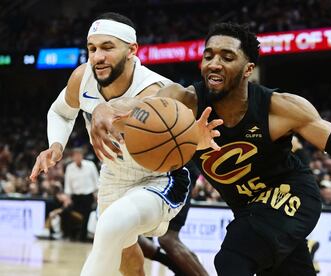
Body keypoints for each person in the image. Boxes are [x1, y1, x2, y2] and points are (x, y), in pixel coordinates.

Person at [90, 22, 331, 275]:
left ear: (248, 68)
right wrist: (107, 109)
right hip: (248, 208)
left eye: (226, 56)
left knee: (232, 258)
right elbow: (136, 107)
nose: (214, 63)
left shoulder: (280, 107)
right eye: (208, 55)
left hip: (291, 194)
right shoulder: (183, 102)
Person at [29, 12, 220, 276]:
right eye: (92, 48)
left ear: (132, 50)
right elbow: (61, 111)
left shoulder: (156, 89)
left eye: (108, 47)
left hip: (160, 178)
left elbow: (179, 136)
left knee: (110, 225)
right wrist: (56, 145)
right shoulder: (82, 78)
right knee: (124, 252)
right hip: (113, 176)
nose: (98, 57)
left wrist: (106, 109)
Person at [138, 161, 209, 276]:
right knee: (130, 237)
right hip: (153, 172)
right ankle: (178, 267)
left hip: (178, 167)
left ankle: (184, 267)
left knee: (167, 238)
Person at [64, 148, 98, 241]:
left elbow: (96, 181)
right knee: (67, 212)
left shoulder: (90, 165)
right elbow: (68, 185)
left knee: (86, 215)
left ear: (82, 156)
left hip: (88, 196)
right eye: (75, 155)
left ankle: (83, 237)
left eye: (79, 155)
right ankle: (70, 235)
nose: (77, 157)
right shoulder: (69, 167)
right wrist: (68, 198)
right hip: (75, 197)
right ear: (73, 157)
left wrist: (97, 195)